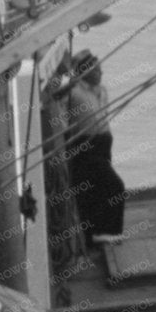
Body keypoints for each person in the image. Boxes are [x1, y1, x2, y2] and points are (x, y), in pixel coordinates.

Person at [51, 50, 125, 240]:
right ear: (85, 71)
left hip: (103, 143)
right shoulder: (74, 92)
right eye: (97, 70)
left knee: (94, 189)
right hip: (85, 145)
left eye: (100, 69)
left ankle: (94, 233)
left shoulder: (102, 90)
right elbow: (58, 109)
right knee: (114, 185)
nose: (101, 73)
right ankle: (108, 231)